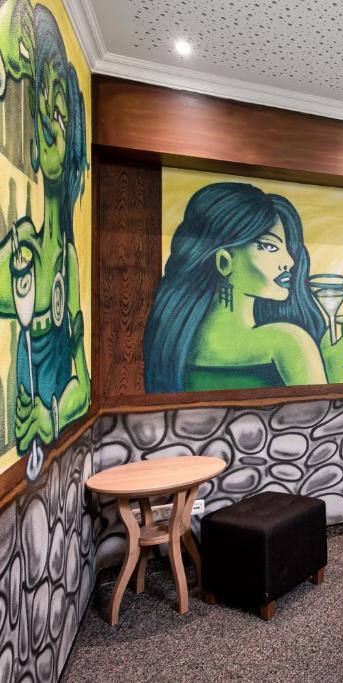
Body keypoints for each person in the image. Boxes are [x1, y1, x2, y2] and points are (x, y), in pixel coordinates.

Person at [144, 182, 343, 392]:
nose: (289, 262)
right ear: (224, 262)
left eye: (287, 249)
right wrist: (335, 365)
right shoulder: (287, 341)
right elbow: (328, 419)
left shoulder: (172, 345)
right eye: (269, 247)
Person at [0, 2, 90, 476]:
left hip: (47, 426)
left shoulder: (68, 262)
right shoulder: (23, 246)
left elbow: (83, 384)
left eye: (60, 111)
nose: (52, 124)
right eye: (43, 109)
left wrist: (53, 416)